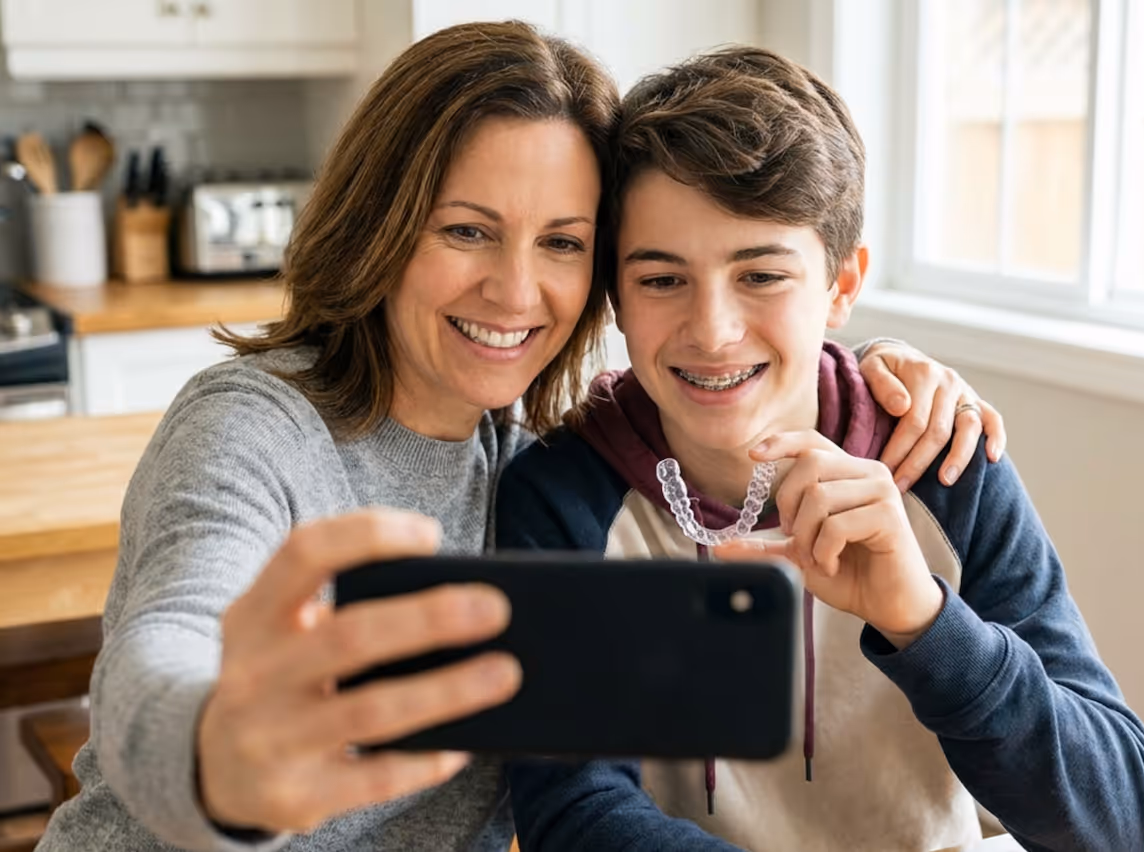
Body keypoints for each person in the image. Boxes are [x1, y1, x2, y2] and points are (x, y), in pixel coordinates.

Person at [36, 23, 1005, 852]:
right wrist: (217, 759)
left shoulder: (529, 445)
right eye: (465, 230)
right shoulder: (256, 425)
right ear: (380, 225)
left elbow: (729, 344)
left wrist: (868, 359)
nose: (514, 290)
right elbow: (166, 641)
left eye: (563, 243)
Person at [499, 47, 1144, 852]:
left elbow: (1123, 823)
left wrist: (924, 621)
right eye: (662, 279)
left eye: (762, 276)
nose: (712, 331)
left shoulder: (947, 465)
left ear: (842, 286)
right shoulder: (561, 498)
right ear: (616, 295)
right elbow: (571, 813)